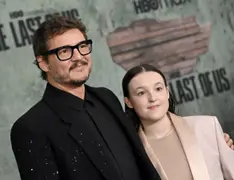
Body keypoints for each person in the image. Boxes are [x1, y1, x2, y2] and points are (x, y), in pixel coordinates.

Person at [10, 16, 161, 180]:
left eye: (82, 46)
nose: (78, 57)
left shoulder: (107, 98)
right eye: (64, 51)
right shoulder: (31, 128)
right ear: (44, 63)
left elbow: (143, 166)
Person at [122, 64, 234, 180]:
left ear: (167, 92)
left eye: (158, 89)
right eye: (141, 93)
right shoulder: (130, 152)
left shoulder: (207, 127)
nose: (152, 98)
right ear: (128, 102)